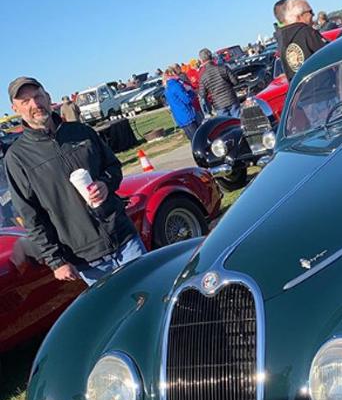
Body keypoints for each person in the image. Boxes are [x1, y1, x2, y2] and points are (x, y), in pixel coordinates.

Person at [4, 77, 146, 286]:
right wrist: (55, 261)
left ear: (48, 97)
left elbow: (113, 167)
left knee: (150, 293)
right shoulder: (17, 158)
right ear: (15, 108)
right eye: (25, 102)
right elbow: (31, 217)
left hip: (124, 237)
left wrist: (106, 184)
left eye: (38, 96)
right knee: (117, 311)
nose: (35, 105)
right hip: (87, 259)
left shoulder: (81, 132)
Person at [277, 0, 327, 81]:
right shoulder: (307, 33)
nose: (313, 15)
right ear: (299, 16)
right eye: (310, 12)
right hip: (323, 87)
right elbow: (329, 55)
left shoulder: (281, 39)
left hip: (300, 91)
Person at [197, 48, 240, 117]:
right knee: (239, 121)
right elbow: (235, 81)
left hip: (219, 104)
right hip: (231, 99)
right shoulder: (223, 68)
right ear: (211, 56)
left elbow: (202, 94)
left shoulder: (203, 76)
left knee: (227, 125)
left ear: (201, 60)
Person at [164, 67, 199, 141]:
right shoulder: (176, 85)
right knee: (197, 138)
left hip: (179, 117)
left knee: (192, 139)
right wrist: (190, 92)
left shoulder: (167, 88)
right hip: (187, 115)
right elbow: (186, 100)